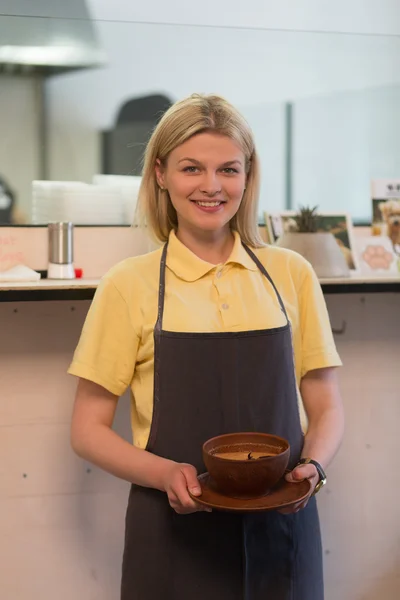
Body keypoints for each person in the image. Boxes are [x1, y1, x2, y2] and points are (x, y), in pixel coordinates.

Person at [68, 93, 344, 599]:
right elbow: (87, 430)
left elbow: (325, 405)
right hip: (172, 536)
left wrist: (315, 468)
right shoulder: (128, 284)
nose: (212, 186)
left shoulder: (292, 275)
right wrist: (166, 474)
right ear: (160, 173)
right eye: (192, 168)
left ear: (247, 175)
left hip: (282, 532)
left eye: (229, 169)